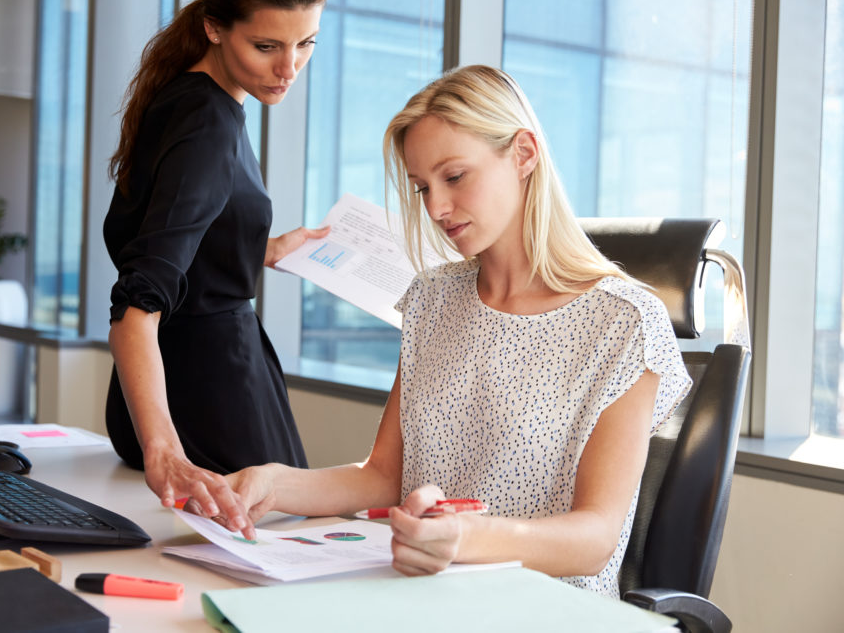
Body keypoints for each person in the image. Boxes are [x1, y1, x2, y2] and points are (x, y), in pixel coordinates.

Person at [224, 64, 692, 597]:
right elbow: (382, 476)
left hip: (546, 611)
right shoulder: (432, 299)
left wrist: (465, 538)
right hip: (425, 595)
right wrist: (271, 483)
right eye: (422, 187)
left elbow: (595, 537)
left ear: (523, 154)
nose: (437, 208)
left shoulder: (625, 323)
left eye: (454, 176)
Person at [103, 0, 335, 536]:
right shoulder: (210, 123)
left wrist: (263, 248)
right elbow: (136, 307)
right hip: (212, 393)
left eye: (306, 43)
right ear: (214, 26)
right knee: (293, 548)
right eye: (266, 47)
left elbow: (170, 233)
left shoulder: (185, 98)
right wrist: (166, 454)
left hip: (163, 391)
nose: (289, 67)